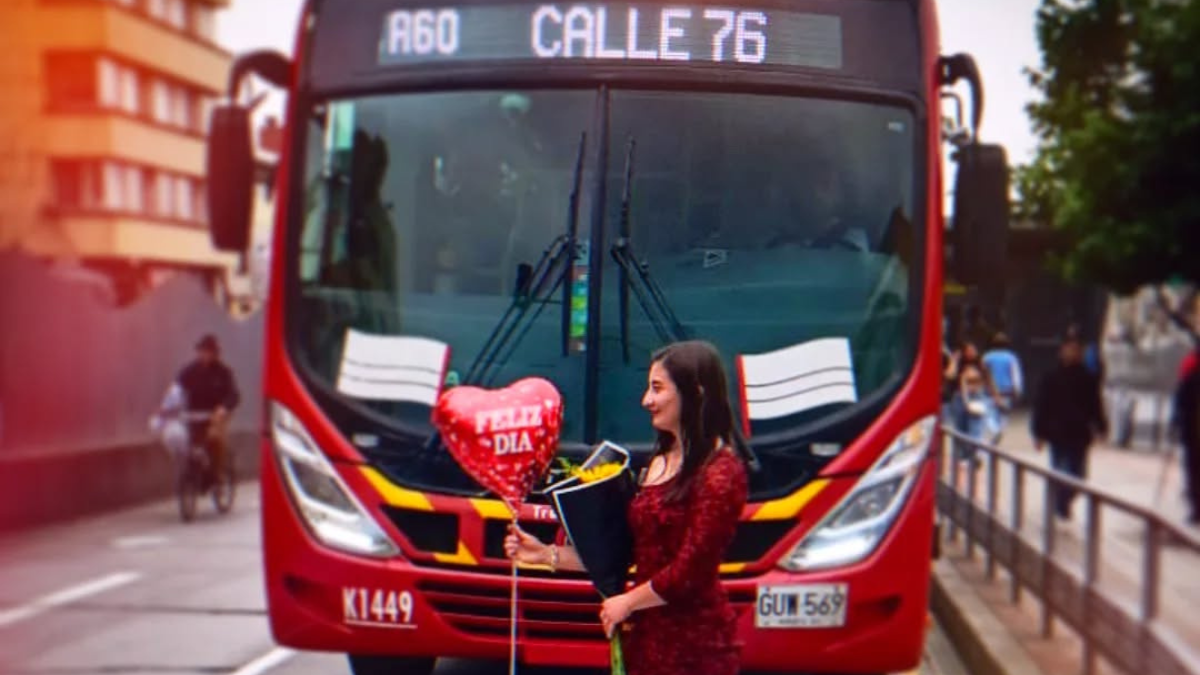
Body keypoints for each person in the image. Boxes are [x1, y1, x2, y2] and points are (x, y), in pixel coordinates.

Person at [505, 341, 750, 675]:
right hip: (645, 642)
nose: (645, 401)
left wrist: (627, 602)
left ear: (695, 393)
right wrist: (546, 555)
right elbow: (626, 552)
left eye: (657, 389)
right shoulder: (659, 462)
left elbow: (691, 570)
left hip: (696, 650)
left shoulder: (722, 472)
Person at [1031, 336, 1108, 521]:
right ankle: (1061, 504)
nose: (1072, 353)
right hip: (1056, 432)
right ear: (1061, 352)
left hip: (1079, 433)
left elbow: (1095, 405)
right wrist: (1038, 433)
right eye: (1068, 349)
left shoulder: (1088, 378)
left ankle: (1063, 499)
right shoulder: (1051, 377)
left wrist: (1101, 426)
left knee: (1078, 475)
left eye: (1075, 350)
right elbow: (1041, 405)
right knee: (1059, 469)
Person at [176, 335, 240, 482]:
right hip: (194, 414)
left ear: (215, 353)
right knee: (187, 440)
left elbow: (234, 395)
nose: (204, 355)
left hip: (217, 414)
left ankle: (217, 474)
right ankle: (195, 471)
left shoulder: (224, 373)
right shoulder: (189, 372)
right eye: (202, 351)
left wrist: (224, 408)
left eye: (208, 351)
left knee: (214, 438)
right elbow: (177, 391)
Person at [1172, 344, 1200, 525]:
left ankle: (1196, 508)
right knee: (1193, 471)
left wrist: (1176, 422)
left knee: (1193, 471)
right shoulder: (1191, 377)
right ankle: (1196, 507)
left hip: (1192, 435)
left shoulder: (1190, 376)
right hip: (1193, 434)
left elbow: (1180, 403)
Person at [982, 332, 1024, 436]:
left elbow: (983, 374)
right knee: (1004, 415)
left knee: (989, 415)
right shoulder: (1011, 357)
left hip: (989, 391)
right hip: (1006, 390)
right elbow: (1015, 375)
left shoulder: (987, 357)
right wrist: (1018, 390)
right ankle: (1000, 430)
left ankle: (994, 430)